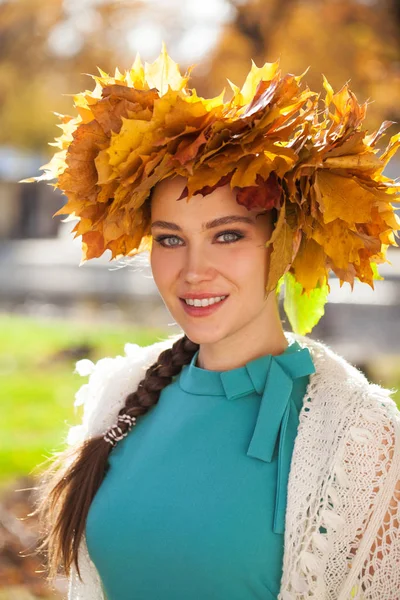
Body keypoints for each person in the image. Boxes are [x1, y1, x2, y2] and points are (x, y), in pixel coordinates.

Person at [27, 46, 400, 600]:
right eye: (171, 239)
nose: (194, 271)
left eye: (228, 235)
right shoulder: (120, 391)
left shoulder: (359, 434)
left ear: (285, 241)